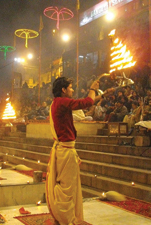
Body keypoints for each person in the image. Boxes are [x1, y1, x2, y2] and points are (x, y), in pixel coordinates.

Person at [46, 77, 100, 225]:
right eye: (70, 87)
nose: (72, 89)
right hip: (66, 151)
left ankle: (61, 217)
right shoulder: (62, 102)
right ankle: (65, 219)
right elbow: (85, 102)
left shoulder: (57, 102)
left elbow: (86, 102)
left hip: (64, 150)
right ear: (63, 90)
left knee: (66, 185)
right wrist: (92, 89)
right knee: (67, 188)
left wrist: (102, 94)